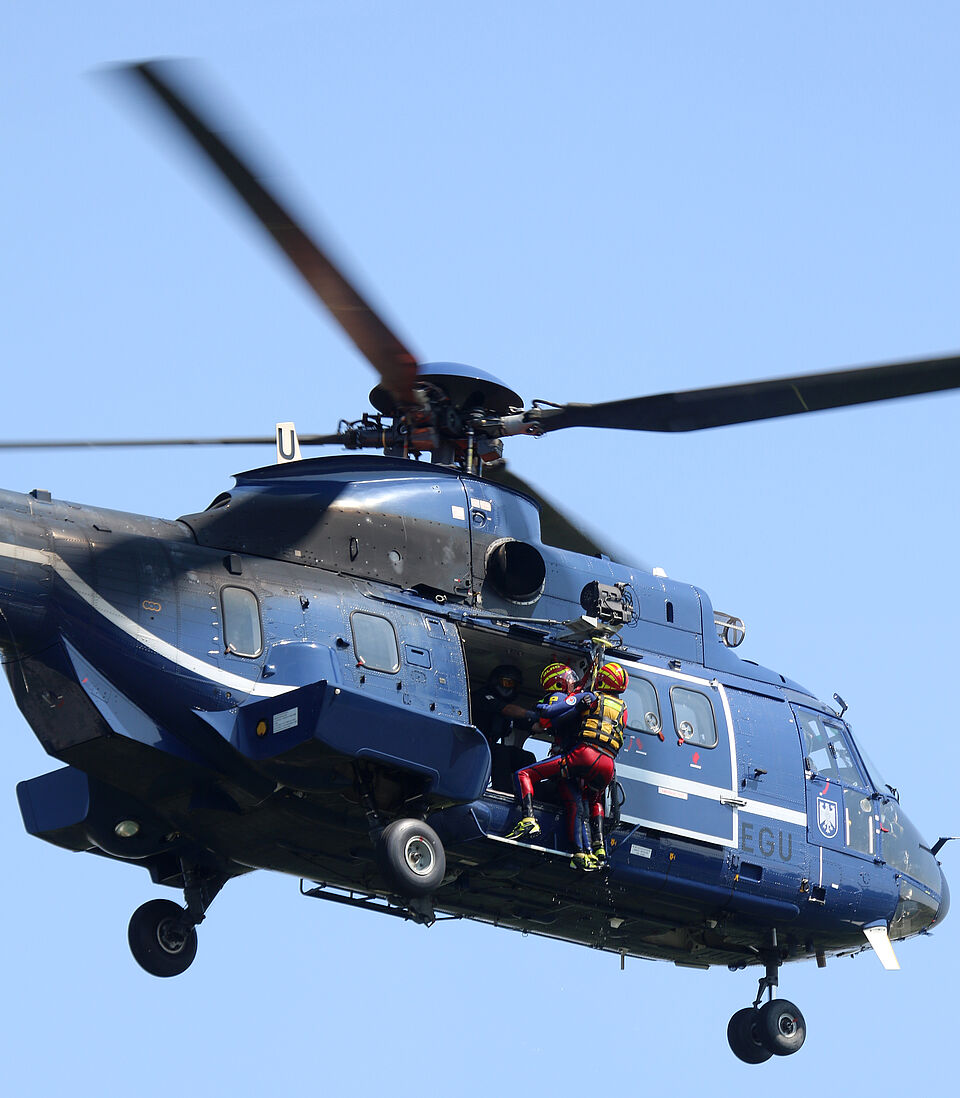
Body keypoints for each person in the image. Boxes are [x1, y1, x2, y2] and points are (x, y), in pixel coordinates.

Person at [506, 661, 628, 870]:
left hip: (582, 756)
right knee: (587, 802)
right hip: (608, 765)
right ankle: (595, 849)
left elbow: (551, 713)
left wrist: (541, 708)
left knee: (524, 774)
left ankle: (528, 818)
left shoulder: (589, 698)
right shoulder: (622, 710)